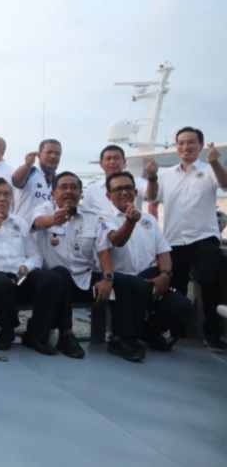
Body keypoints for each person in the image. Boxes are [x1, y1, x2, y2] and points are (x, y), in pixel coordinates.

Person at [32, 172, 149, 361]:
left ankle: (121, 338)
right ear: (53, 194)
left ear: (81, 193)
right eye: (63, 187)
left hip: (84, 278)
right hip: (54, 283)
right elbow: (38, 222)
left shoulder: (93, 217)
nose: (69, 191)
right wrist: (54, 219)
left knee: (127, 283)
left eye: (74, 187)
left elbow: (103, 249)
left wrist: (107, 278)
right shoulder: (43, 210)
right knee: (60, 274)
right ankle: (66, 335)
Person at [0, 177, 69, 354]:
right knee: (0, 283)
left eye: (6, 194)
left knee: (53, 279)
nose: (2, 198)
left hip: (20, 275)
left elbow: (35, 254)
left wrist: (26, 267)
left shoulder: (20, 222)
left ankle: (36, 334)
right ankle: (7, 331)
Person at [148, 127, 227, 352]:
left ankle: (212, 335)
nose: (185, 147)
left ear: (200, 146)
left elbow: (225, 184)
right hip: (173, 239)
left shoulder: (209, 169)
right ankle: (177, 333)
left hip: (203, 237)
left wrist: (214, 163)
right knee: (176, 287)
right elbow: (153, 197)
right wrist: (152, 177)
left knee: (210, 282)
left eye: (191, 142)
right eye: (181, 143)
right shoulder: (167, 175)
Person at [101, 171, 193, 352]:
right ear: (109, 195)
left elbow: (163, 252)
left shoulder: (149, 220)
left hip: (149, 279)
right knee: (134, 287)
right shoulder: (102, 218)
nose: (124, 192)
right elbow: (117, 240)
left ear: (136, 193)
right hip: (119, 282)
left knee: (182, 306)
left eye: (128, 188)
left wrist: (165, 275)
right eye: (118, 189)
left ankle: (146, 332)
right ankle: (123, 339)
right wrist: (130, 221)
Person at [81, 144, 158, 214]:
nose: (112, 162)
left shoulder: (137, 182)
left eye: (116, 158)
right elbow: (85, 215)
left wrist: (152, 177)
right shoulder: (92, 189)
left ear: (124, 162)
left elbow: (151, 196)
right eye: (108, 159)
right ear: (101, 164)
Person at [11, 139, 62, 221]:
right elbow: (17, 182)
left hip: (49, 231)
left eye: (57, 153)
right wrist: (27, 165)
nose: (53, 156)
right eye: (49, 152)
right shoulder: (30, 171)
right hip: (25, 231)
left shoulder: (61, 180)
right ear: (39, 155)